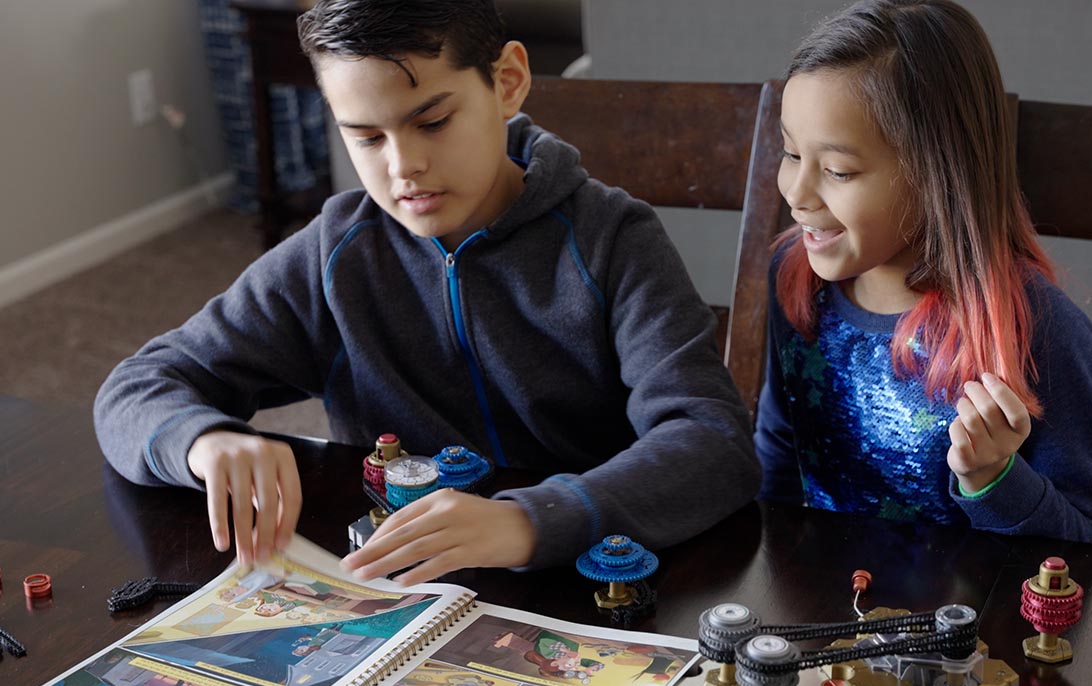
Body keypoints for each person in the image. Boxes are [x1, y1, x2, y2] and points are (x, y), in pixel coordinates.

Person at [93, 0, 759, 582]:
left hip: (595, 584)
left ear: (507, 81)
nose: (402, 165)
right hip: (404, 591)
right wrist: (202, 440)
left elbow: (713, 441)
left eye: (432, 122)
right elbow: (136, 388)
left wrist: (531, 520)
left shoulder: (614, 240)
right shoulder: (335, 253)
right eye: (365, 136)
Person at [754, 0, 1092, 544]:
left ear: (936, 172)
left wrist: (993, 480)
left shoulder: (1039, 330)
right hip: (820, 608)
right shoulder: (794, 276)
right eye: (790, 154)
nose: (796, 193)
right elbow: (778, 458)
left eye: (837, 170)